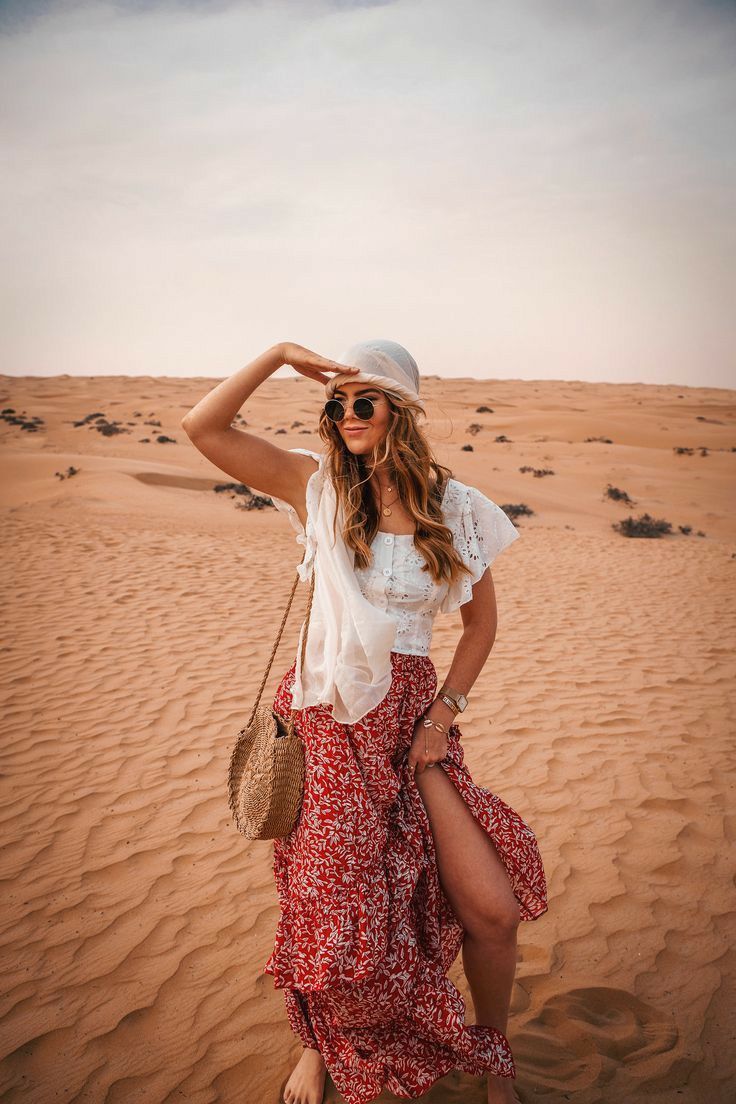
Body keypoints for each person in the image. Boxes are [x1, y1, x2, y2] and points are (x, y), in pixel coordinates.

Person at [181, 340, 548, 1104]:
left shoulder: (456, 507)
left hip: (413, 725)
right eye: (338, 403)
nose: (348, 415)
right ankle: (315, 1047)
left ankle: (494, 1056)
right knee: (330, 904)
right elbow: (203, 428)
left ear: (399, 410)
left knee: (491, 909)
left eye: (365, 401)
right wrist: (280, 354)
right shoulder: (315, 487)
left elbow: (480, 627)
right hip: (325, 721)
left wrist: (443, 717)